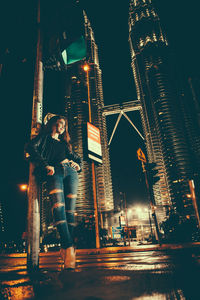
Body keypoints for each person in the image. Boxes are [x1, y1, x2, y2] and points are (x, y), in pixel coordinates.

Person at [25, 114, 82, 269]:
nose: (62, 127)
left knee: (70, 212)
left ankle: (65, 247)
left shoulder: (65, 144)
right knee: (58, 208)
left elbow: (77, 158)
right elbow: (30, 147)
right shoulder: (44, 138)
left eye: (64, 125)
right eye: (59, 123)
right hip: (54, 172)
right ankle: (69, 248)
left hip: (71, 173)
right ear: (52, 124)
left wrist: (77, 165)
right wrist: (45, 165)